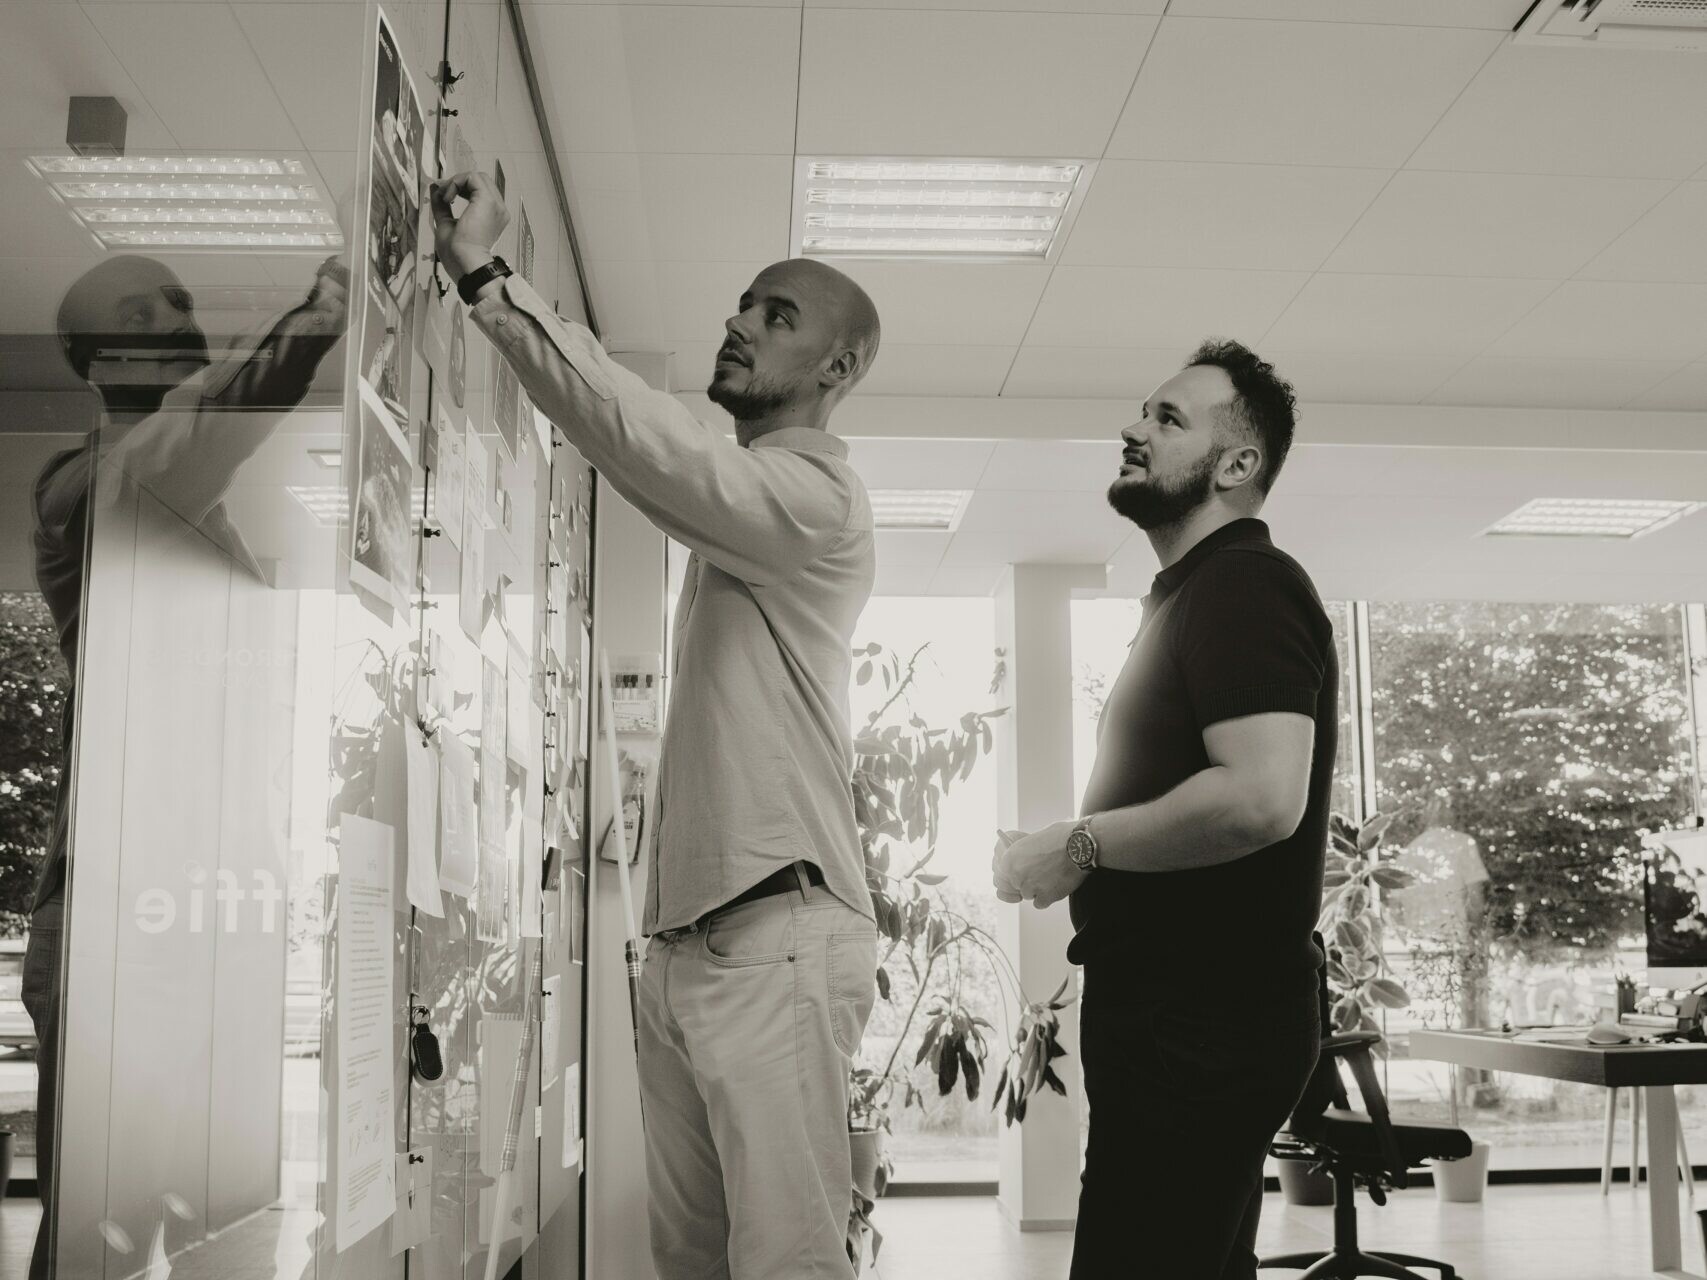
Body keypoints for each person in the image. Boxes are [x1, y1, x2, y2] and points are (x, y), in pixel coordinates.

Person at [431, 171, 883, 1280]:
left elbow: (660, 452)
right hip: (695, 946)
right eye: (743, 303)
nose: (739, 322)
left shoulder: (813, 504)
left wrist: (495, 285)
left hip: (776, 934)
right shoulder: (750, 514)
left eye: (777, 315)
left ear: (836, 368)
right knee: (695, 1262)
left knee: (786, 1263)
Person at [27, 254, 347, 1280]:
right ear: (89, 359)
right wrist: (324, 314)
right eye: (140, 312)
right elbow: (202, 428)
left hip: (199, 914)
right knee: (98, 1239)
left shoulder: (186, 503)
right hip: (119, 922)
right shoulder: (91, 487)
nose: (175, 317)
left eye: (179, 300)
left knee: (209, 1225)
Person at [993, 341, 1336, 1280]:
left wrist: (1077, 845)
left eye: (1167, 419)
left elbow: (1262, 798)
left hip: (1203, 1019)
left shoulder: (1244, 584)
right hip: (1183, 1016)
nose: (1133, 428)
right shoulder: (1193, 595)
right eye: (1142, 412)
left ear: (1236, 466)